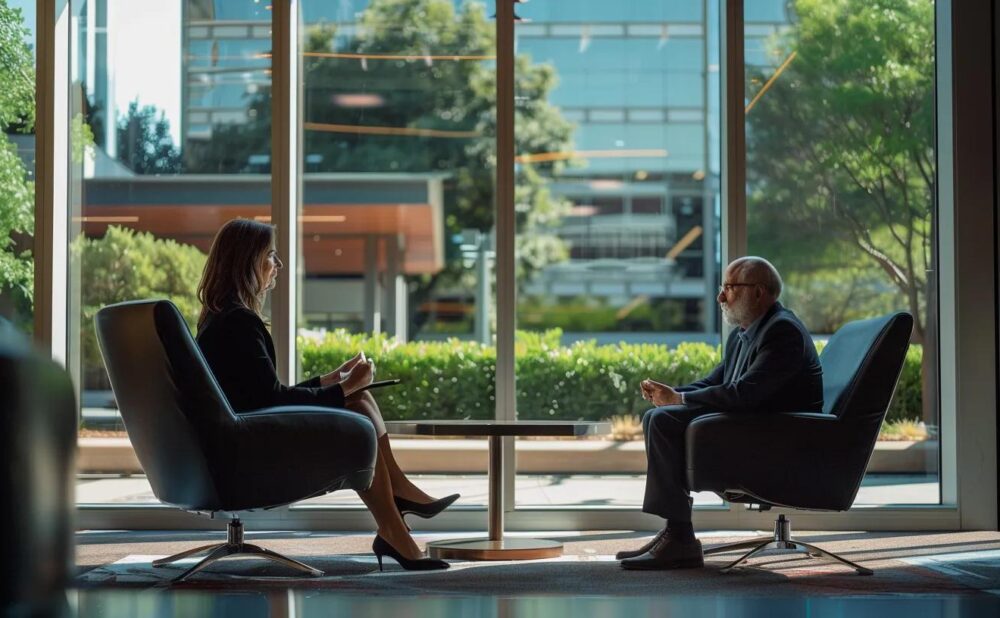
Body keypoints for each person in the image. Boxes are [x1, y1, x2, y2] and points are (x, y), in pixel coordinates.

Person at [196, 218, 458, 571]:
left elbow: (260, 395)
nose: (278, 265)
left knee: (360, 400)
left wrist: (332, 380)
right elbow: (268, 402)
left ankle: (397, 507)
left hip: (243, 441)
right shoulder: (239, 323)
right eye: (271, 255)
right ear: (247, 262)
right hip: (248, 455)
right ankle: (395, 518)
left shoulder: (222, 319)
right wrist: (343, 388)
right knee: (356, 406)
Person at [619, 256, 823, 571]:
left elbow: (746, 393)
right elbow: (718, 382)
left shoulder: (782, 332)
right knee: (658, 416)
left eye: (730, 287)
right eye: (722, 287)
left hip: (782, 442)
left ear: (758, 292)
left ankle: (680, 537)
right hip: (757, 429)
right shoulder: (747, 333)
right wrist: (673, 395)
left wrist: (680, 399)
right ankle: (677, 533)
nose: (720, 296)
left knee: (661, 420)